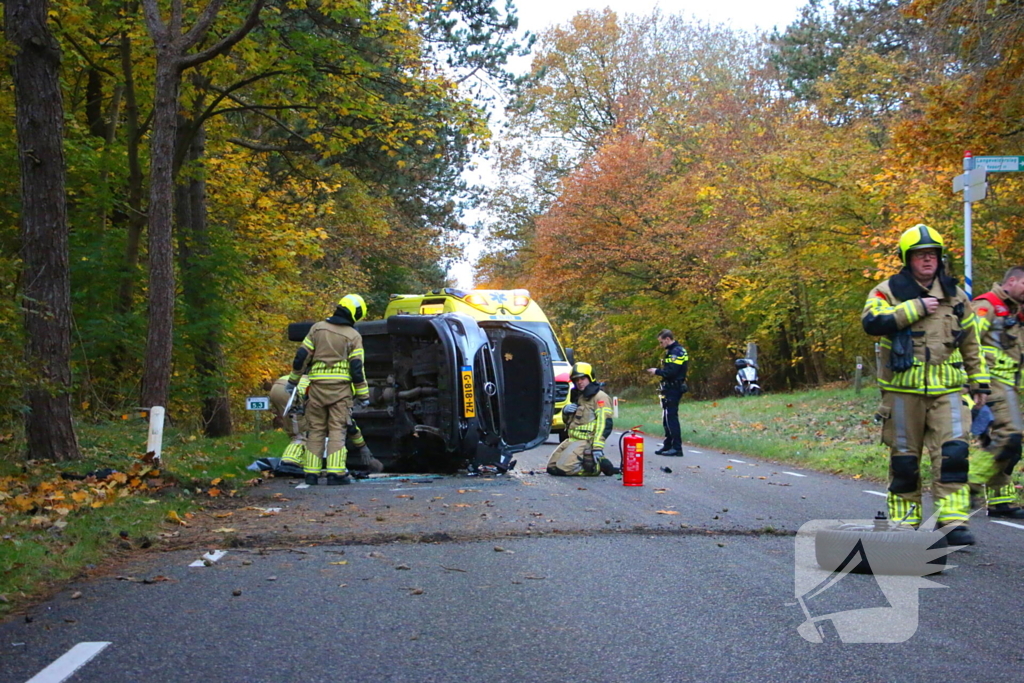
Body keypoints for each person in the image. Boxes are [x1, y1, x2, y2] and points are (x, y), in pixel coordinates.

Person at [861, 224, 990, 545]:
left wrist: (980, 384)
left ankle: (953, 523)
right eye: (920, 255)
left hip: (949, 391)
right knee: (905, 461)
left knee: (954, 456)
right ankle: (905, 523)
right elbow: (872, 322)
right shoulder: (887, 291)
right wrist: (915, 308)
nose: (928, 260)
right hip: (902, 394)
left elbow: (971, 342)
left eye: (932, 254)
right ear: (908, 259)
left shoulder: (956, 295)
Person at [288, 293, 370, 485]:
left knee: (315, 430)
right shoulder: (353, 336)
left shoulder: (316, 329)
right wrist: (363, 394)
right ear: (355, 314)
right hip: (340, 392)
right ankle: (336, 473)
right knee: (337, 430)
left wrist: (293, 381)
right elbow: (357, 368)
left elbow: (301, 357)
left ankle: (311, 473)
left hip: (316, 389)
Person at [968, 266, 1024, 517]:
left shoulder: (1015, 311)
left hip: (1011, 385)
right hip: (990, 384)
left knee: (1005, 446)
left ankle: (1002, 501)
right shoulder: (986, 306)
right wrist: (974, 383)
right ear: (1011, 281)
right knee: (1009, 436)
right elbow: (968, 342)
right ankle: (967, 484)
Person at [269, 374, 382, 475]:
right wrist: (363, 447)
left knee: (295, 429)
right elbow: (350, 425)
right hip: (295, 390)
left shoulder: (333, 384)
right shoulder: (343, 396)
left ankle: (297, 461)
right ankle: (288, 464)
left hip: (280, 386)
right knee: (302, 434)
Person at [546, 362, 617, 476]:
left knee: (564, 470)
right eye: (576, 380)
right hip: (572, 439)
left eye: (582, 378)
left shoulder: (600, 397)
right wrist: (565, 411)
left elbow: (604, 424)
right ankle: (584, 462)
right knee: (551, 468)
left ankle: (593, 467)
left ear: (590, 378)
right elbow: (569, 422)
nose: (579, 382)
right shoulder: (579, 396)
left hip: (585, 441)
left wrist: (597, 448)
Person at [646, 329, 689, 456]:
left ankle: (677, 448)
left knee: (671, 418)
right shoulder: (673, 351)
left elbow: (672, 372)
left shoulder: (676, 352)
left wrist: (657, 371)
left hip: (674, 388)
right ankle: (668, 444)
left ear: (667, 339)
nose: (661, 345)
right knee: (666, 417)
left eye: (661, 342)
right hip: (670, 387)